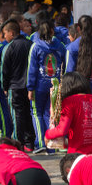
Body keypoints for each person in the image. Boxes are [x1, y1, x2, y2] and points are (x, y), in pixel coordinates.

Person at [26, 20, 66, 154]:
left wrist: (30, 88)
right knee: (51, 114)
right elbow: (64, 66)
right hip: (55, 85)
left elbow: (32, 69)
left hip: (39, 85)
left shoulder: (35, 47)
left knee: (37, 113)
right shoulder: (60, 46)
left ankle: (41, 143)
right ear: (53, 31)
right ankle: (52, 145)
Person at [1, 19, 35, 151]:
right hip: (29, 86)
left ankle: (18, 143)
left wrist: (4, 87)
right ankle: (30, 142)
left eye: (5, 33)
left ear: (11, 32)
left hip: (14, 87)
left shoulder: (8, 48)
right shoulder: (30, 44)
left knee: (17, 115)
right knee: (29, 113)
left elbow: (4, 71)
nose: (4, 37)